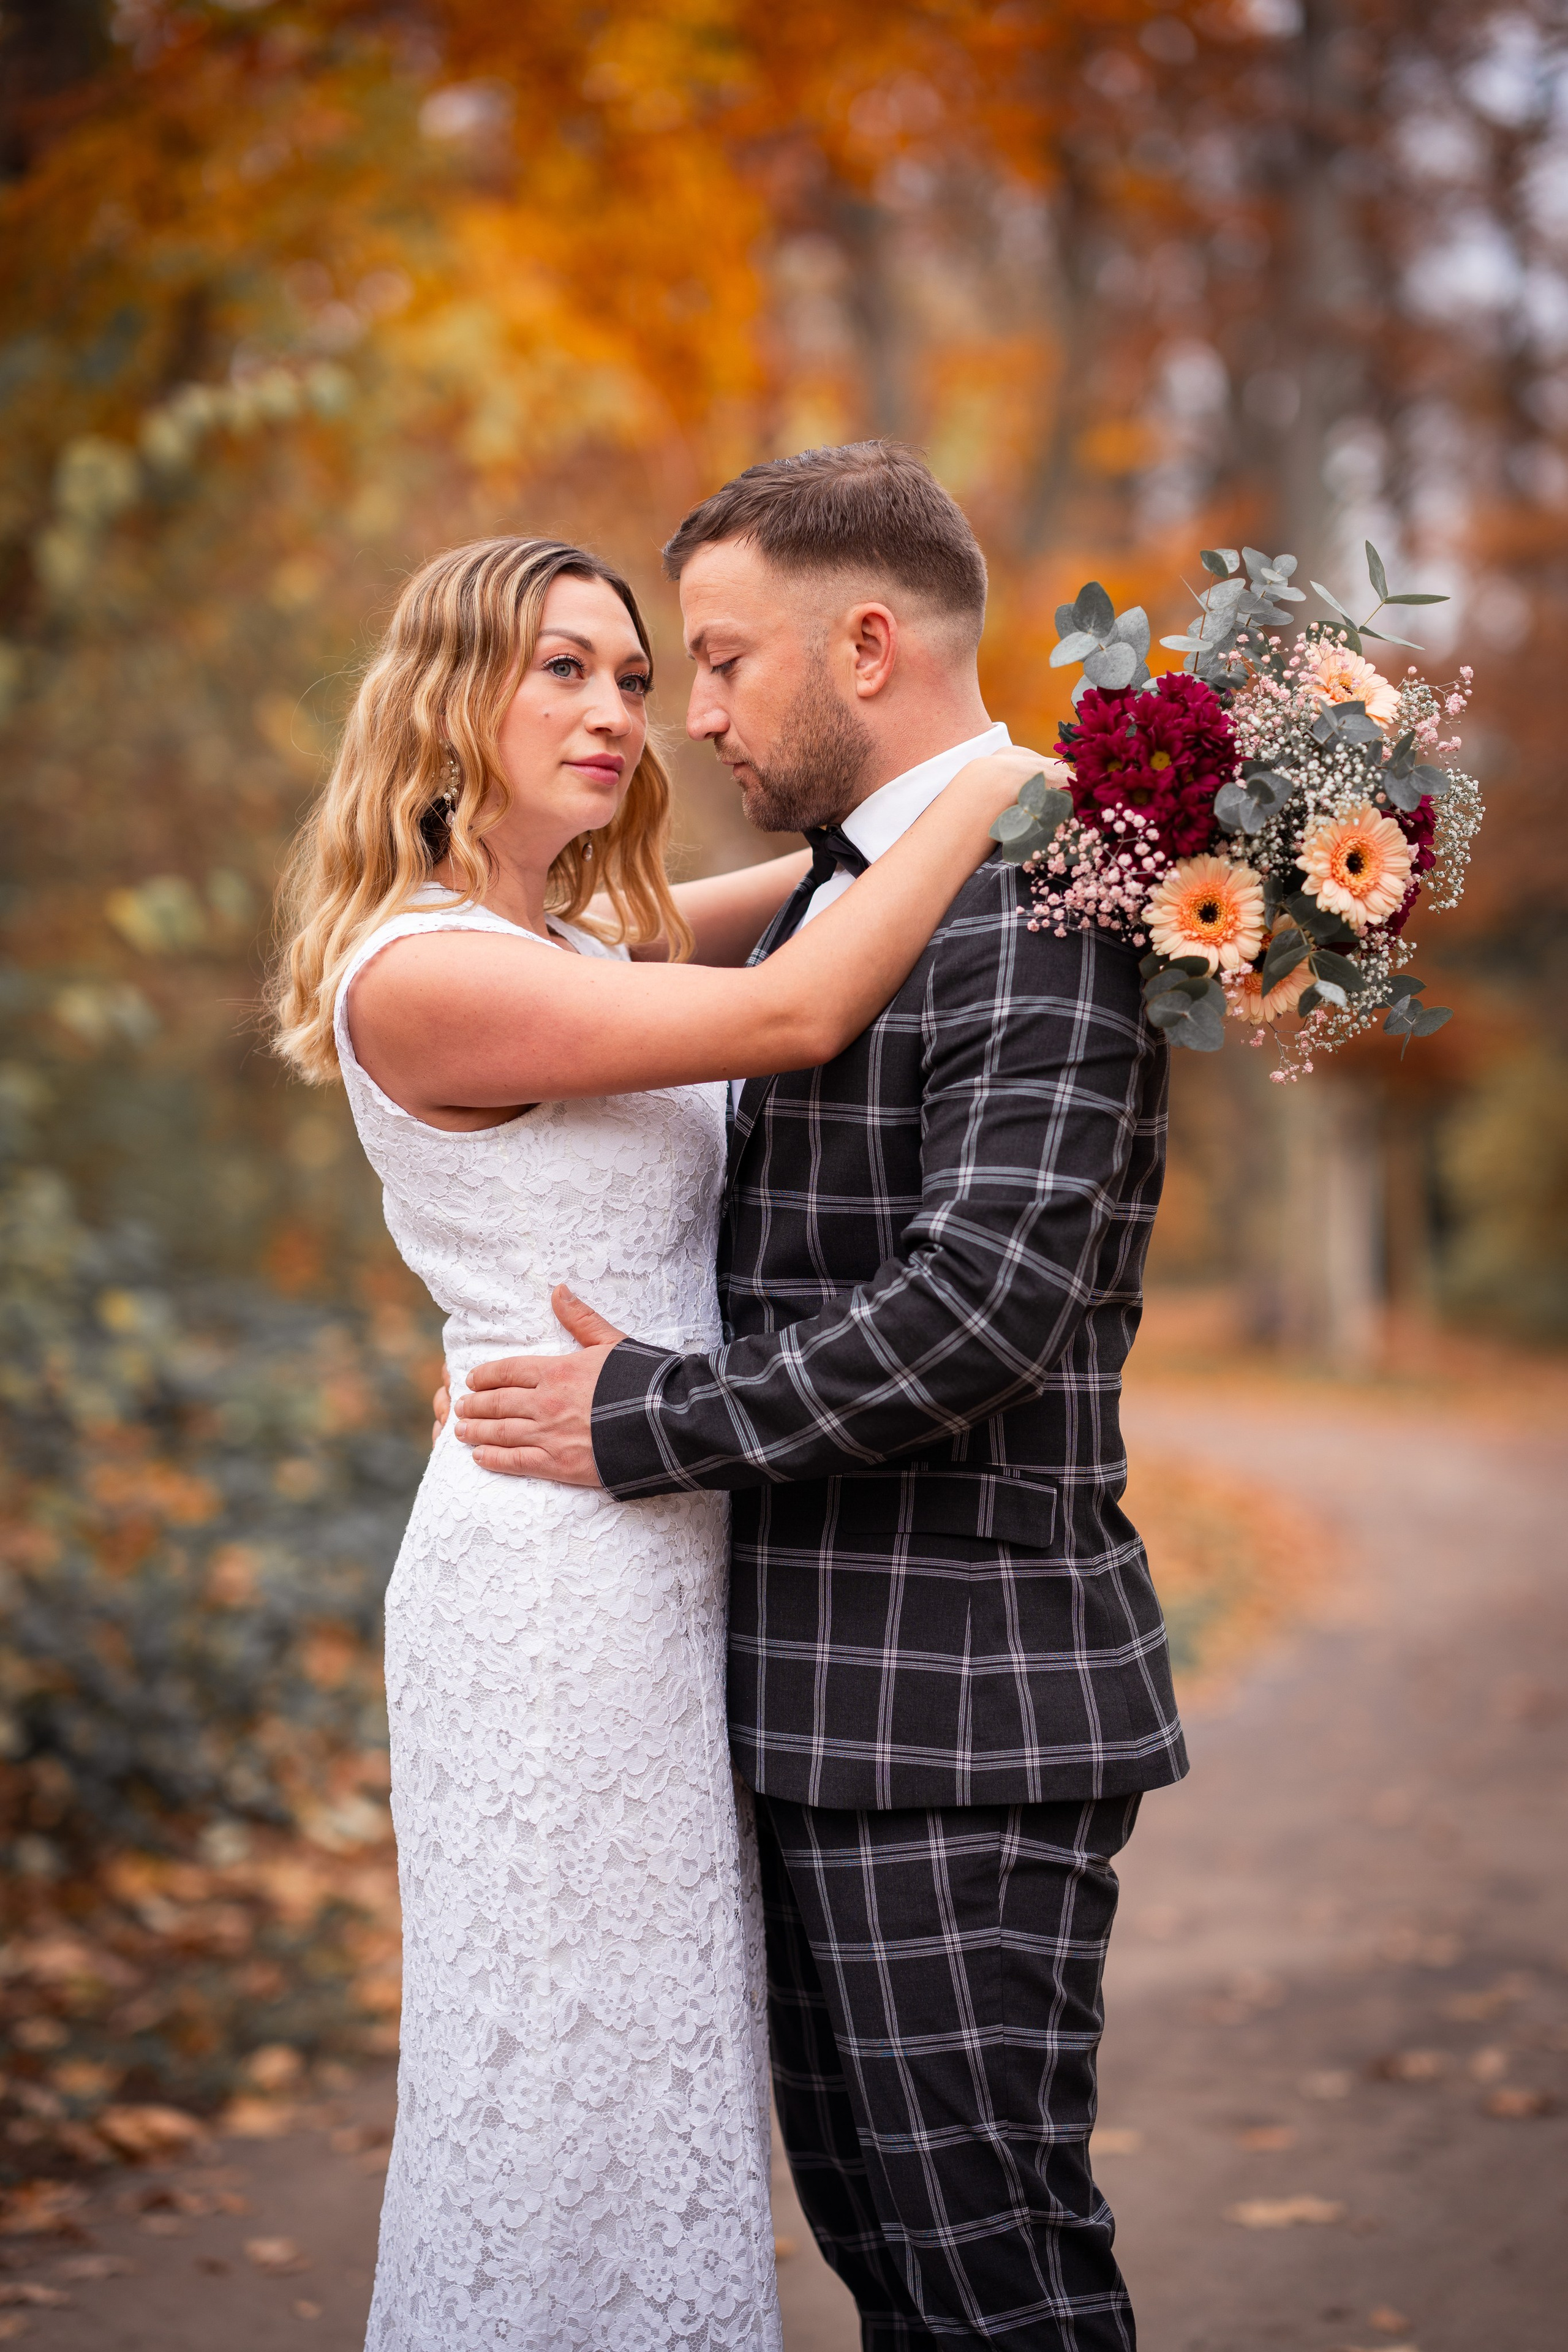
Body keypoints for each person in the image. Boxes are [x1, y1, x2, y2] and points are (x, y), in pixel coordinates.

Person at [447, 443, 1189, 2351]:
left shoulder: (1045, 908)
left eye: (715, 662)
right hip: (793, 1712)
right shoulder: (842, 903)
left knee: (992, 2279)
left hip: (961, 1711)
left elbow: (983, 1310)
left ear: (866, 644)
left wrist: (642, 1421)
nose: (685, 715)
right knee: (895, 2278)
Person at [268, 524, 1041, 2352]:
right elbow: (798, 1001)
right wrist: (1020, 768)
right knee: (562, 2090)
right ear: (448, 696)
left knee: (668, 2077)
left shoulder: (586, 934)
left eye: (635, 673)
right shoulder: (425, 970)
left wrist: (988, 802)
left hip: (681, 1530)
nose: (620, 711)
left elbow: (823, 882)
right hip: (556, 1577)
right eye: (563, 667)